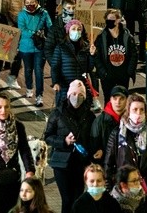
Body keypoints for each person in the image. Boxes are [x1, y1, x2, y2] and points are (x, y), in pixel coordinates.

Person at [104, 93, 147, 197]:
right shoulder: (117, 133)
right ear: (128, 111)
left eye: (142, 109)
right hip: (125, 187)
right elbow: (108, 164)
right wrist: (108, 190)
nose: (139, 113)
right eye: (135, 109)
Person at [44, 80, 95, 213]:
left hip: (80, 163)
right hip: (62, 163)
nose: (76, 97)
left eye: (80, 95)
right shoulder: (57, 114)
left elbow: (93, 138)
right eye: (73, 93)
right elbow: (48, 136)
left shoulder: (89, 116)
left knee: (78, 198)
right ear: (68, 95)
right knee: (67, 199)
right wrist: (64, 141)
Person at [92, 9, 138, 98]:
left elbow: (134, 54)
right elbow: (97, 57)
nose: (109, 21)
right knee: (108, 100)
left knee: (122, 99)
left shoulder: (127, 36)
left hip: (123, 76)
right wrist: (103, 73)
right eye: (107, 19)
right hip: (107, 77)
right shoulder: (102, 37)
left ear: (118, 20)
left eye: (112, 19)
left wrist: (129, 72)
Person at [17, 0, 51, 106]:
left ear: (37, 3)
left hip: (39, 48)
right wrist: (34, 33)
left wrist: (47, 36)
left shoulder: (43, 14)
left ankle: (39, 95)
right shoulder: (21, 15)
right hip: (26, 48)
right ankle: (29, 87)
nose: (30, 5)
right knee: (28, 69)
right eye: (27, 3)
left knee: (38, 71)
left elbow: (50, 27)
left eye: (32, 3)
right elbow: (22, 29)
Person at [50, 19, 93, 109]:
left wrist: (92, 55)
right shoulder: (61, 47)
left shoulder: (86, 47)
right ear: (68, 31)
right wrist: (55, 82)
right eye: (73, 29)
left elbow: (89, 68)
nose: (76, 31)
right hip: (65, 86)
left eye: (79, 29)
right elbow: (55, 66)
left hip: (81, 87)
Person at [92, 86, 127, 162]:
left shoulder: (131, 120)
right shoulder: (99, 121)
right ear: (110, 99)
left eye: (121, 99)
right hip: (107, 163)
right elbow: (94, 145)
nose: (118, 102)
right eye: (115, 98)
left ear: (126, 100)